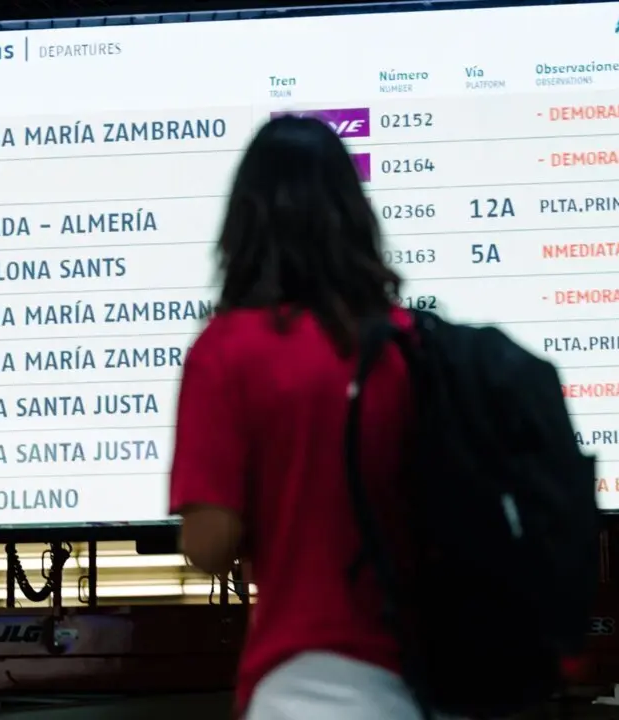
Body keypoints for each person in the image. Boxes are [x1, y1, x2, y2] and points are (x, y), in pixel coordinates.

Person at [169, 115, 426, 719]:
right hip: (428, 679)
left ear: (246, 221)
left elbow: (210, 542)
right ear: (354, 215)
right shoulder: (409, 344)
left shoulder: (229, 350)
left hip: (306, 683)